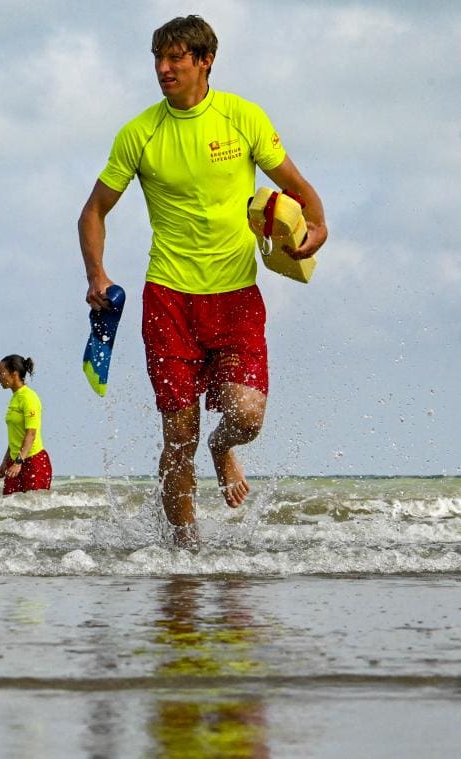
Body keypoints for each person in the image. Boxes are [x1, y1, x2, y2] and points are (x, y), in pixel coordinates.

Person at [77, 15, 327, 548]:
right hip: (168, 298)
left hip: (236, 297)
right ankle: (185, 553)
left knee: (247, 416)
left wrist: (318, 227)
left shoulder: (242, 118)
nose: (163, 69)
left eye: (174, 59)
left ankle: (224, 448)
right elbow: (94, 211)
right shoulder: (140, 133)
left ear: (204, 60)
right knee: (177, 435)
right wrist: (96, 273)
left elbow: (300, 190)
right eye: (157, 59)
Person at [0, 355, 52, 494]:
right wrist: (5, 461)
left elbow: (31, 434)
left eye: (1, 373)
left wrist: (18, 463)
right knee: (10, 506)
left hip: (33, 461)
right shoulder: (15, 398)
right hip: (16, 461)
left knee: (35, 511)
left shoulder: (29, 397)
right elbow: (16, 435)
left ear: (14, 374)